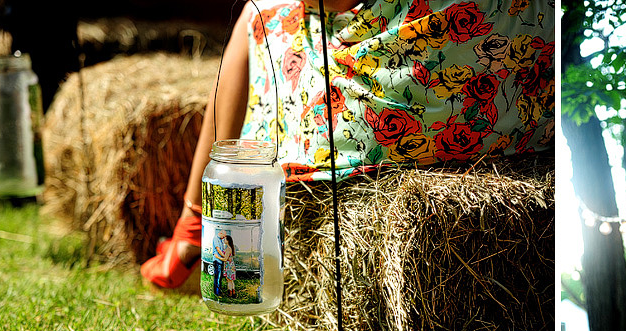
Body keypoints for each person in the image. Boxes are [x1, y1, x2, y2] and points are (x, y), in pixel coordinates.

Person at [141, 0, 555, 288]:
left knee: (257, 13)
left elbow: (332, 3)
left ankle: (194, 227)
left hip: (396, 99)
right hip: (517, 90)